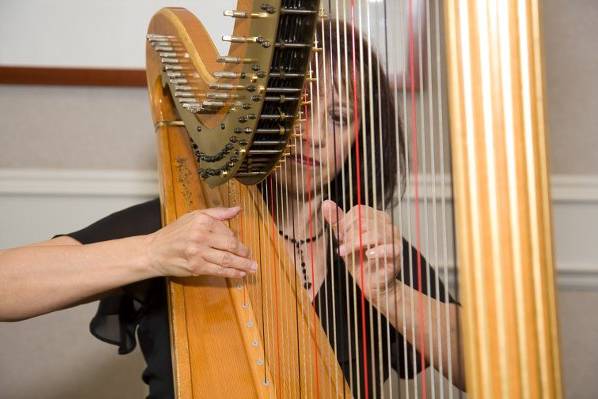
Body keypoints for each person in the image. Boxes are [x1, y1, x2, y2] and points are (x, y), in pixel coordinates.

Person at [0, 20, 464, 398]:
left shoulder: (374, 250)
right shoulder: (180, 230)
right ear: (260, 116)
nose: (314, 135)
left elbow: (485, 369)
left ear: (359, 141)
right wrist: (153, 253)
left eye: (338, 116)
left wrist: (391, 296)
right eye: (297, 108)